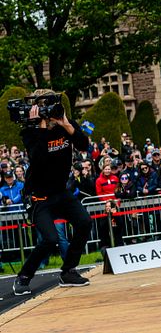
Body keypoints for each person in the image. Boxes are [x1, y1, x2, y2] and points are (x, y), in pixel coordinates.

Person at [14, 91, 93, 295]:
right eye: (44, 106)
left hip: (61, 191)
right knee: (49, 239)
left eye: (50, 105)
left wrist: (66, 123)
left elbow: (84, 145)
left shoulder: (64, 125)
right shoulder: (29, 132)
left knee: (84, 222)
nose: (49, 111)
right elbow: (38, 158)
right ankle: (24, 276)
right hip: (40, 196)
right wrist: (39, 126)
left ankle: (68, 271)